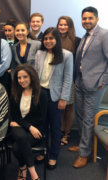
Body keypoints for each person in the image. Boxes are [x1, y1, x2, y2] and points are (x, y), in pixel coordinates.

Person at [71, 6, 108, 168]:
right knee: (79, 115)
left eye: (90, 18)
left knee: (87, 118)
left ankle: (84, 154)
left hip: (95, 85)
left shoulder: (104, 35)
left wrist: (104, 80)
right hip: (80, 82)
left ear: (97, 19)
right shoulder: (85, 36)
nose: (86, 21)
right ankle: (83, 144)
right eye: (84, 18)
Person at [34, 27, 73, 169]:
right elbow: (36, 74)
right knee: (41, 125)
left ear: (56, 39)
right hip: (41, 94)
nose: (48, 41)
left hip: (56, 96)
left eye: (51, 38)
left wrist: (64, 98)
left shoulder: (66, 55)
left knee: (55, 127)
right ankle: (42, 151)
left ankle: (53, 155)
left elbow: (68, 79)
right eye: (45, 38)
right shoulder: (40, 53)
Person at [10, 64, 47, 180]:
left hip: (36, 130)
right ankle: (34, 175)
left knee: (17, 147)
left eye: (25, 77)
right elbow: (15, 116)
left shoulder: (42, 94)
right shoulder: (15, 93)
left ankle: (22, 168)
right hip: (23, 128)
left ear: (31, 77)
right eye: (19, 78)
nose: (21, 80)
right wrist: (28, 126)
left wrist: (23, 124)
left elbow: (41, 119)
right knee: (20, 137)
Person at [56, 16, 81, 146]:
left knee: (68, 107)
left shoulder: (77, 41)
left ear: (70, 26)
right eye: (60, 24)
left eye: (65, 25)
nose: (62, 27)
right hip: (55, 79)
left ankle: (67, 133)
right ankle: (59, 131)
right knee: (59, 107)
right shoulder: (53, 39)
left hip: (69, 79)